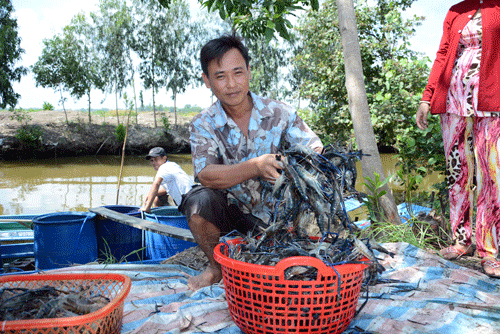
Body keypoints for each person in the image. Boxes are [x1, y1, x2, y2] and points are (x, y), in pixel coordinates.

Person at [178, 34, 323, 290]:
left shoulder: (281, 113)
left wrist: (289, 167)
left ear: (249, 72)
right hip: (231, 214)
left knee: (289, 277)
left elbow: (315, 150)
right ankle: (215, 268)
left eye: (238, 73)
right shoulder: (203, 123)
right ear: (207, 81)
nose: (232, 84)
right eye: (220, 76)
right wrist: (256, 166)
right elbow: (206, 174)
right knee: (198, 202)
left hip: (278, 217)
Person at [416, 1, 500, 278]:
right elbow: (442, 54)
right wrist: (427, 98)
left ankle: (489, 251)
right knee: (457, 172)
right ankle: (461, 241)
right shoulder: (456, 10)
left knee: (492, 176)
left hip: (491, 99)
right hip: (453, 99)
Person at [140, 147, 194, 213]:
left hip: (188, 203)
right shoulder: (172, 165)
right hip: (192, 198)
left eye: (156, 159)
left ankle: (160, 218)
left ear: (164, 158)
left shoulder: (164, 167)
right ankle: (162, 215)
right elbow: (165, 190)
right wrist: (149, 194)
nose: (154, 162)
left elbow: (156, 184)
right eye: (152, 160)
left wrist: (147, 207)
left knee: (155, 198)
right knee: (157, 198)